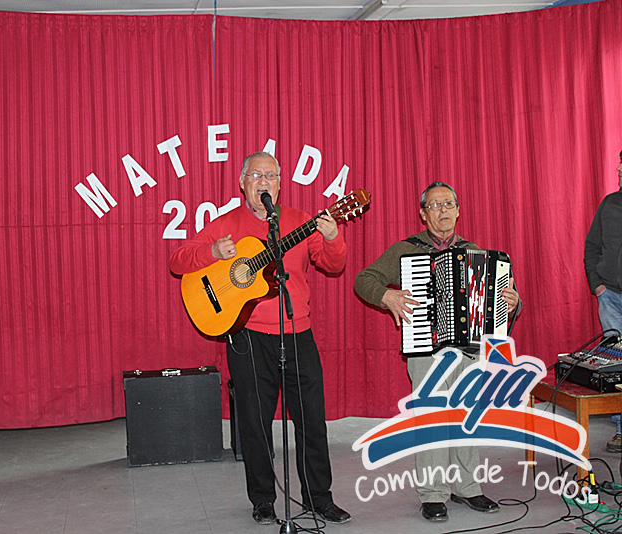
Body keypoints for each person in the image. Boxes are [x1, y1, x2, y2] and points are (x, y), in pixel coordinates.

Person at [169, 152, 351, 525]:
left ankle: (318, 498)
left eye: (270, 175)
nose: (263, 182)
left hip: (297, 332)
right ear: (242, 183)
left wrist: (333, 237)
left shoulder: (299, 221)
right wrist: (211, 252)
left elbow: (334, 265)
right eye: (256, 175)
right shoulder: (226, 223)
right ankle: (263, 499)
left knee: (312, 420)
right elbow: (178, 260)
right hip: (248, 336)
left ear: (280, 183)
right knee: (255, 423)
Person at [353, 181, 520, 522]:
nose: (442, 210)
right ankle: (432, 493)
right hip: (425, 346)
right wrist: (387, 296)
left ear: (458, 211)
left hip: (470, 349)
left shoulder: (475, 252)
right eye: (434, 205)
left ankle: (467, 487)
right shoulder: (406, 250)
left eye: (448, 204)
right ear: (423, 213)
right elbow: (364, 279)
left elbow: (499, 306)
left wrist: (512, 302)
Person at [584, 150, 622, 453]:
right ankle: (621, 430)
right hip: (610, 297)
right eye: (620, 164)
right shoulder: (609, 204)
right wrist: (597, 285)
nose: (619, 169)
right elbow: (592, 245)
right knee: (617, 366)